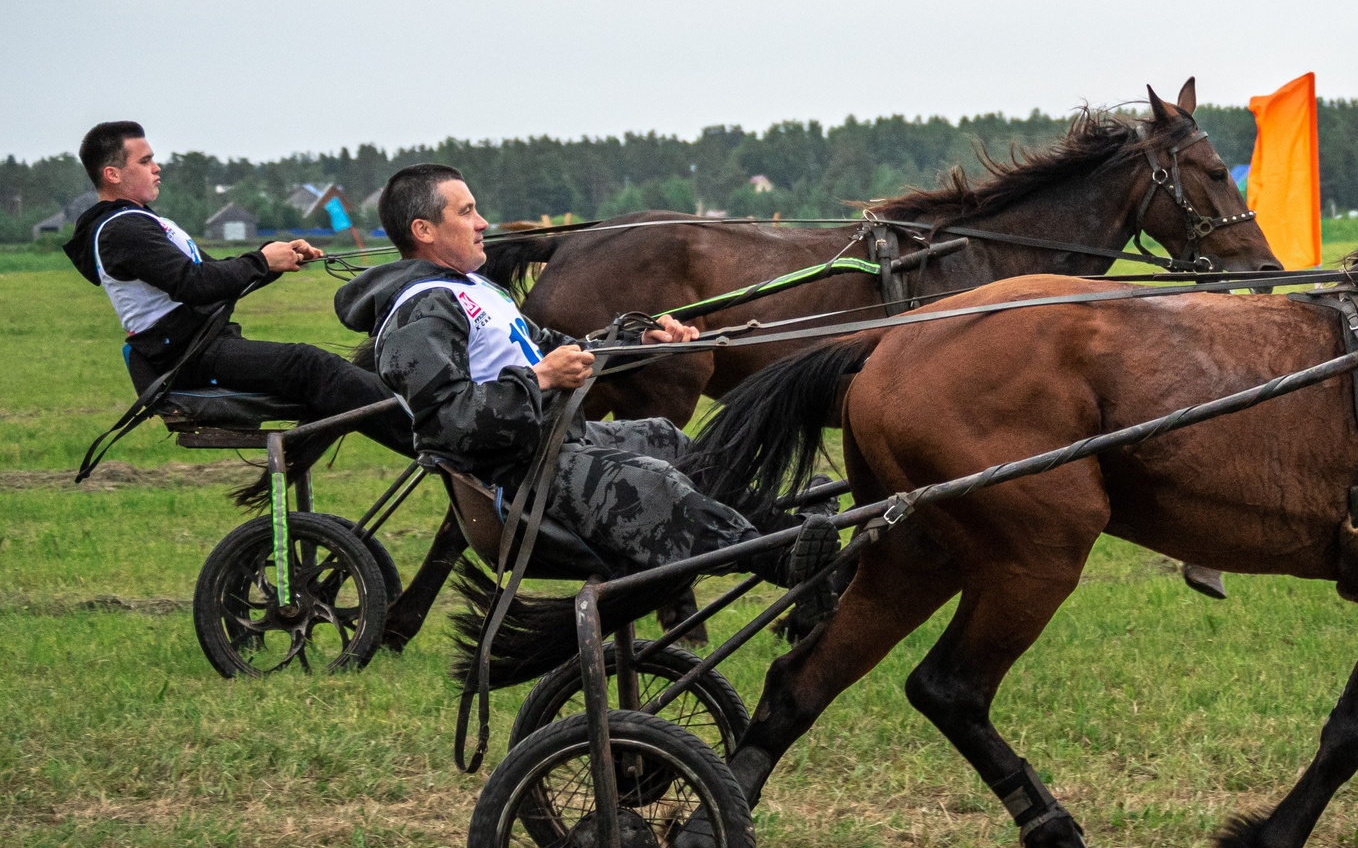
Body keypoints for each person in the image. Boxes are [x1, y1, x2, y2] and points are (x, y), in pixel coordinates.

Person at [333, 162, 830, 598]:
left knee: (665, 437)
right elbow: (447, 421)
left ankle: (792, 528)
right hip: (512, 476)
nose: (483, 223)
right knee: (655, 485)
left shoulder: (471, 289)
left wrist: (644, 345)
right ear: (424, 229)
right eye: (465, 213)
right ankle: (784, 558)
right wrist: (541, 380)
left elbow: (557, 348)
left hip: (552, 446)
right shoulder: (419, 311)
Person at [63, 120, 412, 458]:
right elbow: (194, 284)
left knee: (319, 369)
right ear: (113, 174)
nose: (156, 167)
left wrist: (277, 257)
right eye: (145, 160)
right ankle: (433, 444)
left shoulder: (140, 222)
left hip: (202, 346)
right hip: (188, 355)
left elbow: (214, 275)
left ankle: (426, 439)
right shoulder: (122, 229)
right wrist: (262, 261)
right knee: (310, 365)